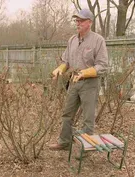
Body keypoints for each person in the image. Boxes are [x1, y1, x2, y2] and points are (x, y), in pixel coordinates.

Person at [49, 9, 108, 151]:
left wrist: (85, 72)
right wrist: (60, 69)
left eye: (81, 20)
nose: (78, 23)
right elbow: (66, 61)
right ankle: (64, 142)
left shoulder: (98, 40)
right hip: (74, 82)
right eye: (76, 20)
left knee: (88, 117)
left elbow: (103, 65)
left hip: (90, 83)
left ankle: (86, 147)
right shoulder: (72, 40)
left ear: (90, 22)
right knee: (67, 113)